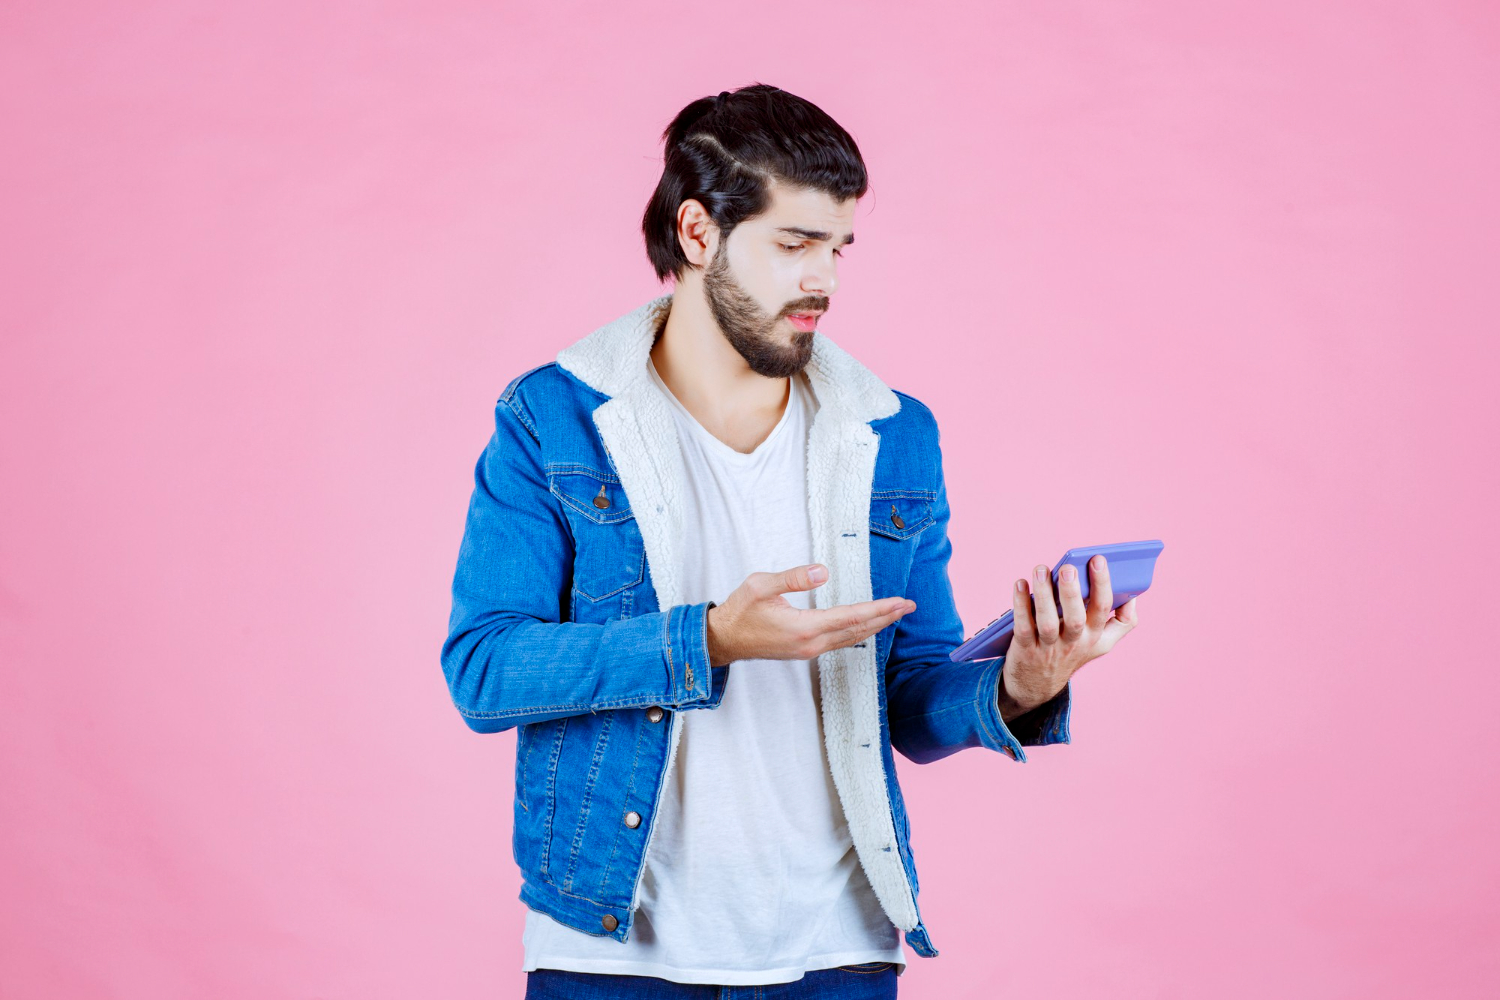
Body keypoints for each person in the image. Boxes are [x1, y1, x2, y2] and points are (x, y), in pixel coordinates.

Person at [440, 83, 1141, 1000]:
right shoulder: (555, 418)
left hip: (837, 952)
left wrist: (1019, 686)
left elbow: (908, 701)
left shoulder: (891, 433)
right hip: (614, 956)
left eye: (838, 247)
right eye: (795, 244)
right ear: (699, 234)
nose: (827, 280)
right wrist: (708, 640)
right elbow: (486, 670)